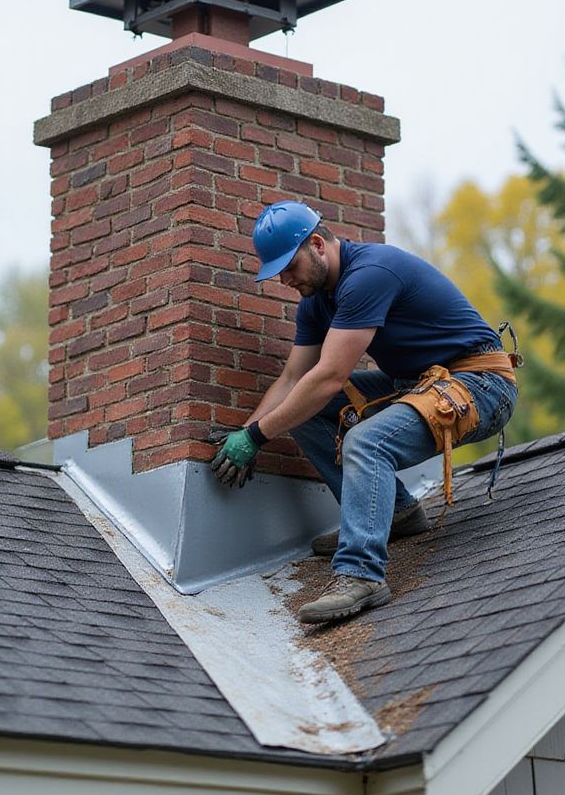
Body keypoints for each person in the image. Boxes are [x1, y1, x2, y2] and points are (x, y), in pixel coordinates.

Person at [210, 201, 519, 625]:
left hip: (481, 384)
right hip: (418, 385)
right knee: (300, 409)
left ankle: (361, 574)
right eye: (278, 271)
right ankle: (395, 515)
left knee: (365, 441)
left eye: (289, 266)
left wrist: (258, 436)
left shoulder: (370, 274)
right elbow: (293, 381)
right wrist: (244, 434)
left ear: (317, 244)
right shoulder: (317, 303)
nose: (284, 279)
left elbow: (331, 376)